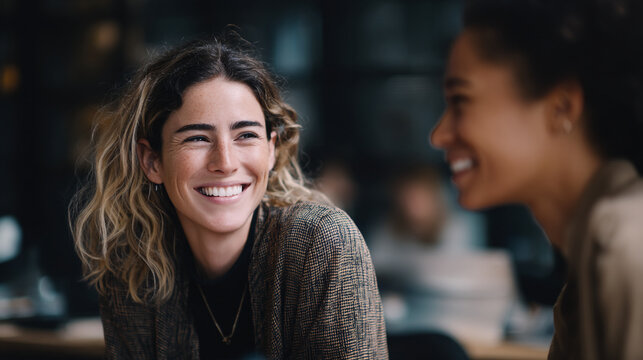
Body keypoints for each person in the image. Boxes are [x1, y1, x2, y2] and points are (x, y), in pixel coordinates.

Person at [70, 36, 388, 359]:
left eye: (246, 135)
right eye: (197, 137)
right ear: (153, 162)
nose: (225, 162)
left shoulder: (320, 244)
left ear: (271, 151)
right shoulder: (135, 274)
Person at [430, 0, 643, 359]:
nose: (438, 135)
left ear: (561, 107)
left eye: (460, 100)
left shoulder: (624, 243)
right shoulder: (587, 261)